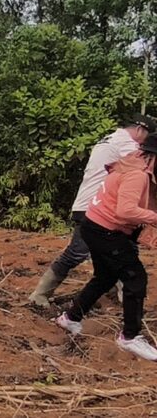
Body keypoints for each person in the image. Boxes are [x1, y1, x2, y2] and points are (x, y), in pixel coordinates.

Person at [29, 114, 156, 306]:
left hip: (92, 203)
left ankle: (124, 295)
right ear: (139, 130)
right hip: (97, 208)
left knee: (126, 250)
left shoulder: (109, 139)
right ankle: (39, 295)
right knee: (77, 252)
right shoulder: (129, 147)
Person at [56, 135, 157, 361]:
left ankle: (70, 318)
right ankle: (130, 337)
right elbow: (125, 211)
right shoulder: (137, 175)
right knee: (135, 278)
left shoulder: (130, 162)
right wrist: (153, 217)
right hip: (106, 231)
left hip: (93, 225)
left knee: (104, 277)